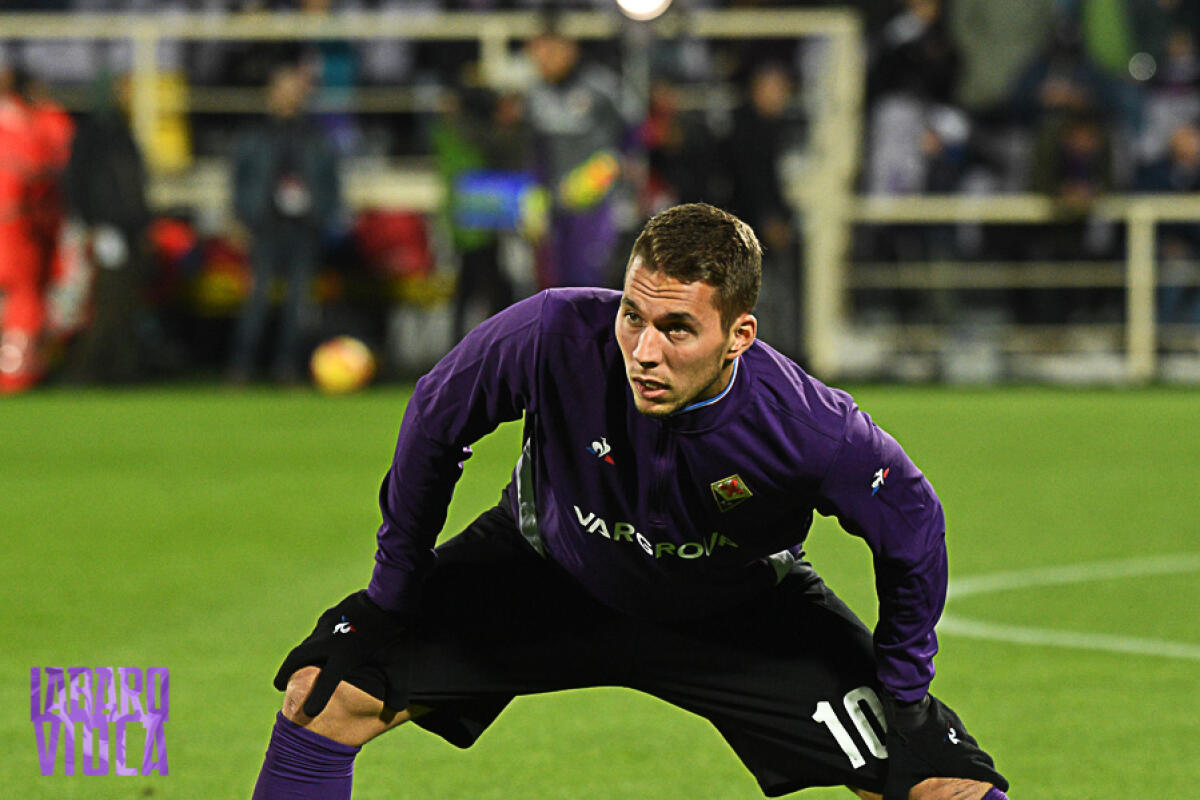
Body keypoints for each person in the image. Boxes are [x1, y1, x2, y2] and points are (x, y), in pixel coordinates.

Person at [252, 203, 1010, 800]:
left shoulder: (811, 427)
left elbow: (912, 526)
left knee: (937, 782)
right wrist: (392, 594)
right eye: (633, 317)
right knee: (325, 696)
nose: (644, 350)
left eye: (678, 328)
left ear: (738, 334)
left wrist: (906, 696)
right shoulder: (551, 332)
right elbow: (434, 424)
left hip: (738, 613)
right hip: (542, 576)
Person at [227, 62, 341, 385]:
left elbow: (331, 182)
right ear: (271, 94)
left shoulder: (316, 138)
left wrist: (323, 214)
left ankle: (287, 367)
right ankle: (242, 366)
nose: (290, 97)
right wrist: (240, 216)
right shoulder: (255, 135)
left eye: (295, 90)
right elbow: (239, 180)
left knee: (298, 304)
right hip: (265, 227)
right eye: (284, 90)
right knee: (257, 300)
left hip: (303, 229)